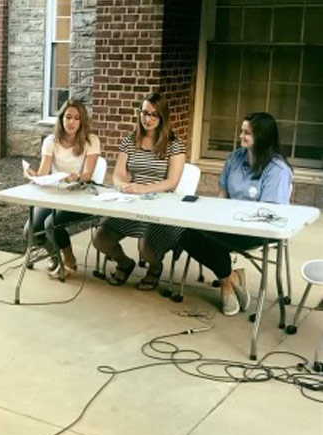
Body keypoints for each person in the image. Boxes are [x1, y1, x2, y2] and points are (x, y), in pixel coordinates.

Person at [181, 112, 293, 315]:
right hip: (226, 222)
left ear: (262, 137)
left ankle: (226, 285)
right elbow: (223, 193)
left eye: (247, 133)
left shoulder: (277, 169)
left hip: (257, 229)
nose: (241, 136)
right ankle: (230, 279)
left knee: (211, 240)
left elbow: (268, 214)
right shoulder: (234, 158)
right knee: (186, 232)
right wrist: (211, 217)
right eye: (241, 131)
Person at [93, 92, 186, 289]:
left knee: (147, 249)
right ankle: (125, 264)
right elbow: (118, 174)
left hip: (160, 205)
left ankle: (154, 268)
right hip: (132, 201)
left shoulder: (174, 144)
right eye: (144, 113)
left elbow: (172, 182)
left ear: (162, 117)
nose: (148, 119)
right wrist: (121, 185)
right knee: (100, 239)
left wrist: (143, 189)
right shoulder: (130, 140)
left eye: (154, 114)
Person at [24, 99, 100, 279]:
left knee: (51, 224)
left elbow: (88, 174)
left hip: (78, 191)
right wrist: (34, 174)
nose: (71, 122)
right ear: (61, 119)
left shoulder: (91, 140)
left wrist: (77, 176)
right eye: (68, 117)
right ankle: (54, 255)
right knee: (30, 231)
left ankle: (69, 259)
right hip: (55, 192)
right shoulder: (51, 140)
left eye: (76, 118)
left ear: (82, 122)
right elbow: (44, 172)